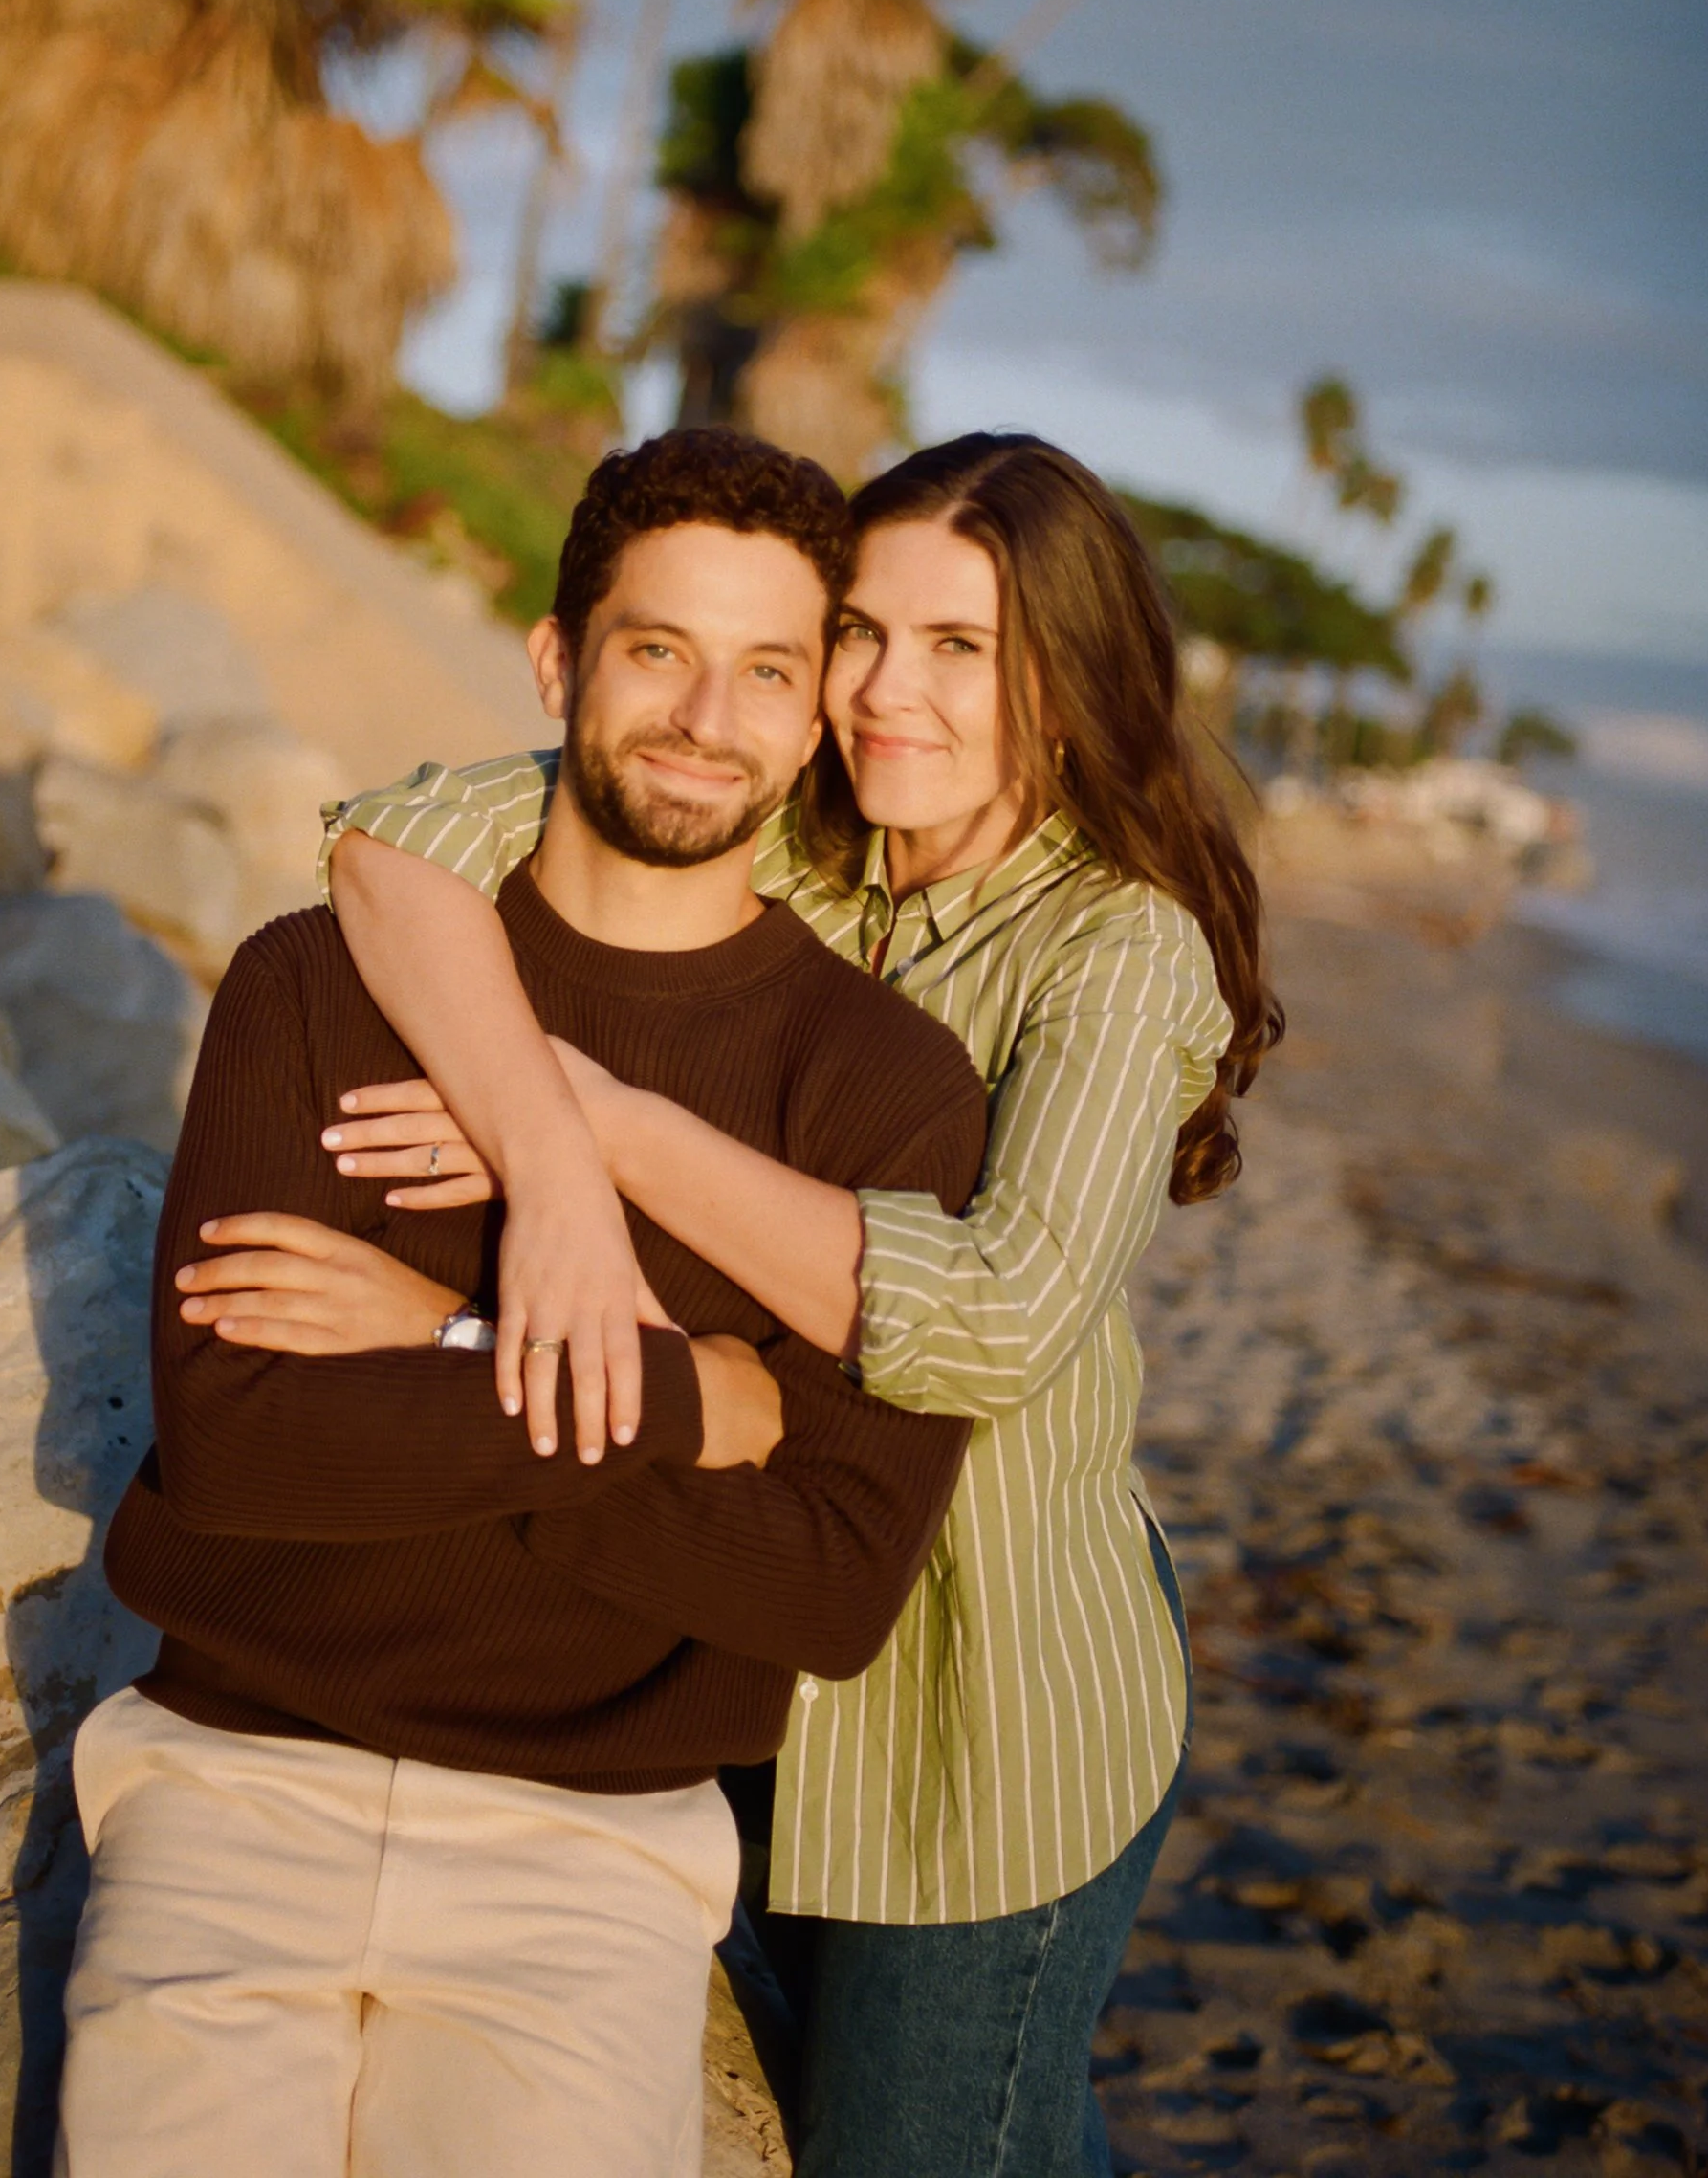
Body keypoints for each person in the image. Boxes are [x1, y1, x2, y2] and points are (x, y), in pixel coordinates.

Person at [305, 431, 1281, 2178]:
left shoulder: (1117, 955)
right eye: (860, 632)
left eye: (960, 649)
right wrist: (541, 1140)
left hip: (986, 1710)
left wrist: (597, 1128)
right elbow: (387, 847)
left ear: (1064, 684)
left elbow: (985, 1323)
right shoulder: (794, 852)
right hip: (735, 1623)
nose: (884, 692)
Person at [55, 429, 990, 2178]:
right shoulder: (320, 977)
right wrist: (690, 1399)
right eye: (657, 650)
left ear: (812, 720)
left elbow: (827, 1581)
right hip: (233, 1785)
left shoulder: (880, 1087)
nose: (708, 716)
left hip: (589, 1854)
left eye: (766, 670)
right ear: (558, 662)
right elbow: (245, 1454)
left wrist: (434, 1348)